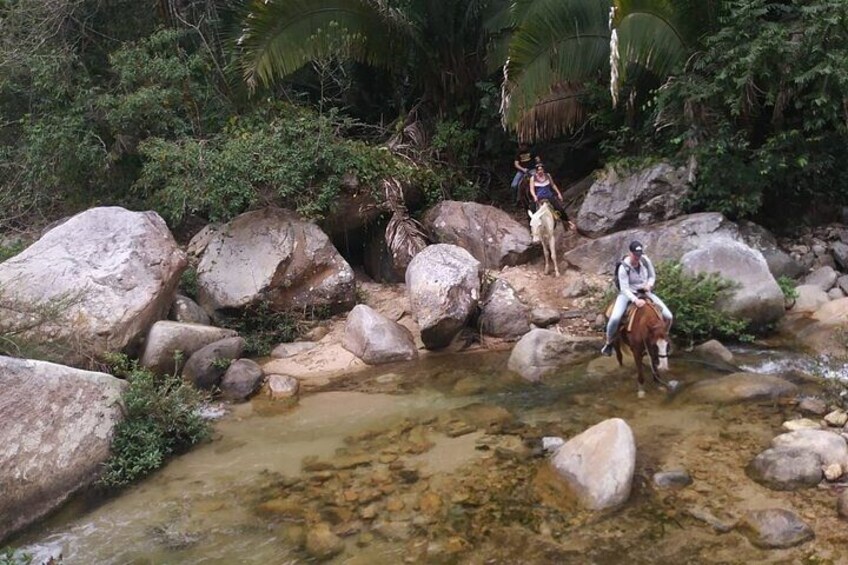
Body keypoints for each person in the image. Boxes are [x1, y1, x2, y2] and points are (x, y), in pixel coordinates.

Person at [600, 240, 673, 356]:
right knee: (615, 318)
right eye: (635, 255)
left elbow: (652, 276)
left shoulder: (645, 260)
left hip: (645, 292)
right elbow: (624, 288)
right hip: (628, 294)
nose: (637, 258)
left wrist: (649, 284)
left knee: (669, 316)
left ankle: (662, 338)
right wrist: (635, 300)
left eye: (639, 255)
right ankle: (609, 343)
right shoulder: (623, 267)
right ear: (630, 253)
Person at [529, 163, 575, 229]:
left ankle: (567, 221)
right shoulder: (533, 178)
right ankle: (533, 228)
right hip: (539, 197)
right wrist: (534, 196)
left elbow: (553, 185)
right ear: (536, 171)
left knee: (559, 208)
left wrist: (558, 193)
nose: (540, 171)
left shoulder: (548, 175)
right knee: (532, 210)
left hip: (549, 195)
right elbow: (531, 189)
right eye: (539, 170)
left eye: (541, 169)